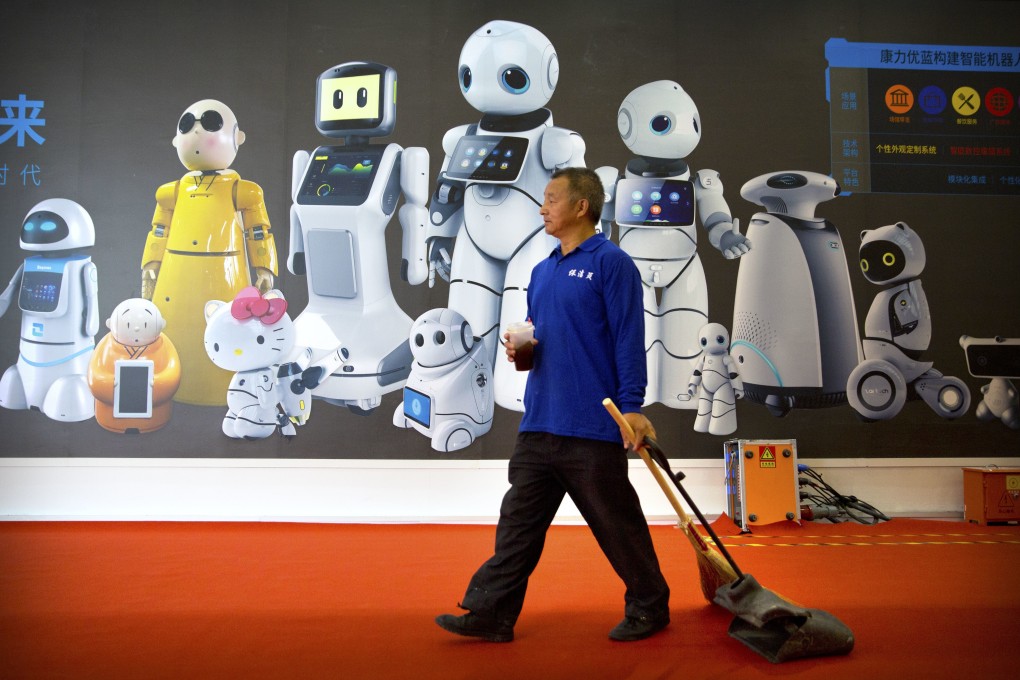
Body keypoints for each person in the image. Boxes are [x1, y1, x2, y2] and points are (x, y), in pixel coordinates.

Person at [435, 167, 670, 643]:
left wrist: (633, 407)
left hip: (592, 425)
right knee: (517, 525)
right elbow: (539, 336)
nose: (542, 208)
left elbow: (629, 338)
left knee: (616, 526)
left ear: (581, 206)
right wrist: (522, 350)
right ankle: (491, 613)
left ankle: (650, 606)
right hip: (539, 422)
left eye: (551, 198)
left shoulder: (611, 263)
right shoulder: (542, 270)